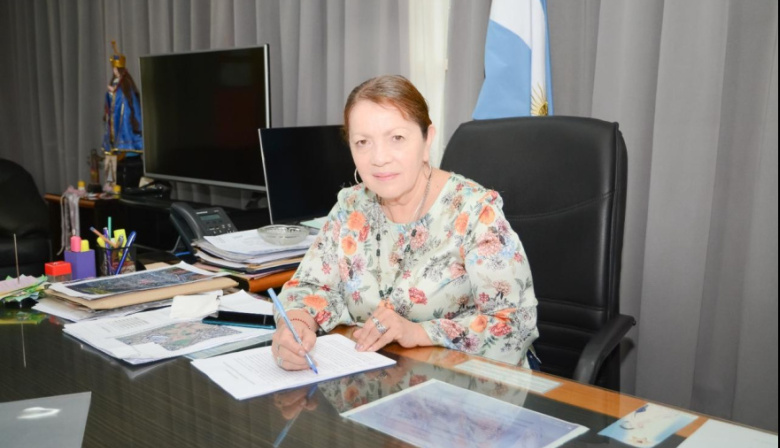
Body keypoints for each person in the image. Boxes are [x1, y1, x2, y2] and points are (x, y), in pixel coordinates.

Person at [272, 75, 539, 371]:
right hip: (373, 378)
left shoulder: (474, 212)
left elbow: (515, 326)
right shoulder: (351, 206)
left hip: (467, 386)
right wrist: (296, 324)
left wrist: (418, 332)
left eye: (396, 138)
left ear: (427, 140)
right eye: (363, 142)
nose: (379, 158)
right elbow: (309, 286)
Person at [102, 41, 144, 189]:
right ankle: (110, 186)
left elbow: (121, 111)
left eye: (115, 68)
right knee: (112, 187)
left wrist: (112, 95)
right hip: (116, 152)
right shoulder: (117, 87)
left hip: (127, 151)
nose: (114, 71)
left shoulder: (125, 91)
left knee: (123, 190)